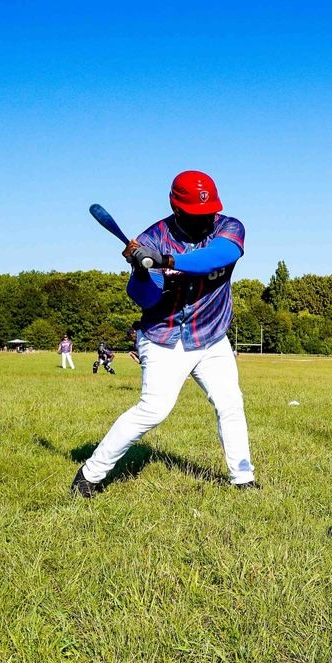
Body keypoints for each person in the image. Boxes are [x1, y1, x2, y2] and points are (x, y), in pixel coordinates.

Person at [72, 170, 257, 495]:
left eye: (208, 211)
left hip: (212, 335)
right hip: (164, 339)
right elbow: (146, 298)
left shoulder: (229, 227)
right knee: (153, 410)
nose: (205, 219)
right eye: (196, 214)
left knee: (230, 403)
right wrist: (141, 270)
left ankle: (243, 479)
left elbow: (220, 256)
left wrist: (167, 259)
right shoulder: (152, 239)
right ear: (177, 209)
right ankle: (90, 474)